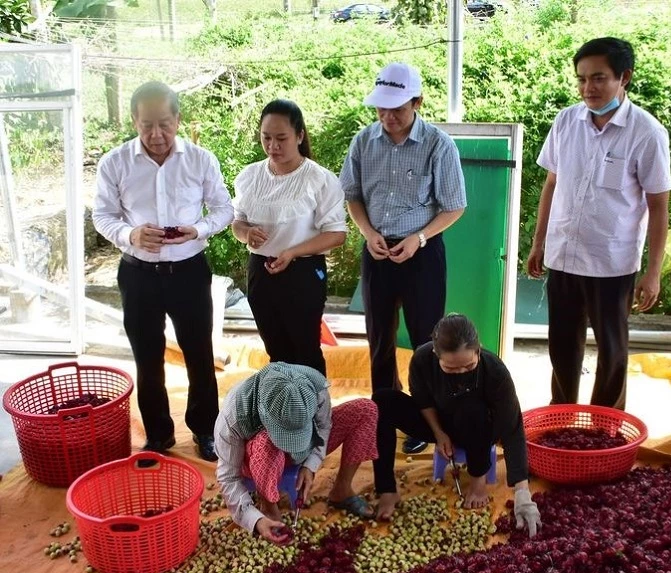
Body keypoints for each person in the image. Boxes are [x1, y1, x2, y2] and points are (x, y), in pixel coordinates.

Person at [526, 37, 671, 410]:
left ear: (624, 77)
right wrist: (539, 242)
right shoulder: (566, 121)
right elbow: (552, 184)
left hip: (612, 262)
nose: (588, 88)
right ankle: (561, 414)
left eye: (598, 78)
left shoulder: (646, 133)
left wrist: (653, 272)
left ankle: (606, 427)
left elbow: (658, 206)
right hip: (563, 256)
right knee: (561, 346)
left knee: (612, 351)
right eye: (581, 79)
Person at [92, 81, 233, 462]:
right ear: (134, 121)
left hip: (189, 271)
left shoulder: (201, 160)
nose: (156, 134)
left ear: (178, 119)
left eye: (165, 124)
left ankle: (205, 429)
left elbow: (224, 209)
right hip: (138, 274)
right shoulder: (115, 162)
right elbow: (102, 215)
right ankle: (158, 434)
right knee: (147, 357)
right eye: (147, 125)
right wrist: (130, 234)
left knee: (199, 354)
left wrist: (198, 229)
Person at [340, 62, 467, 455]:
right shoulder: (364, 142)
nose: (388, 117)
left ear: (417, 102)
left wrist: (420, 237)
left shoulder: (439, 144)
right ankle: (382, 413)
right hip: (377, 250)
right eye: (381, 109)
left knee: (428, 340)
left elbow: (454, 206)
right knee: (378, 337)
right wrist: (368, 233)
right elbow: (353, 196)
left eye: (397, 109)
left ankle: (424, 421)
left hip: (422, 253)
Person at [372, 314, 541, 537]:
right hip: (441, 421)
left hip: (479, 427)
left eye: (469, 366)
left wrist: (522, 493)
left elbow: (512, 428)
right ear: (436, 353)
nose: (461, 372)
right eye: (450, 368)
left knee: (471, 408)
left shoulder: (495, 372)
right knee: (381, 401)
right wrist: (439, 433)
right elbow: (423, 400)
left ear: (479, 350)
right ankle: (387, 490)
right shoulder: (422, 358)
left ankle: (477, 481)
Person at [231, 100, 347, 377]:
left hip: (303, 272)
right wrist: (246, 233)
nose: (273, 146)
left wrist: (292, 252)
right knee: (276, 349)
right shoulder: (250, 176)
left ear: (300, 136)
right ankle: (284, 412)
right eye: (266, 138)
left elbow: (336, 234)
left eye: (281, 138)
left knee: (305, 349)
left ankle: (316, 415)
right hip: (261, 270)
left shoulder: (319, 179)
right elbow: (237, 222)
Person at [214, 362, 378, 544]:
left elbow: (324, 426)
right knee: (264, 444)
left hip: (308, 446)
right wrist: (255, 520)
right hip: (256, 458)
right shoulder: (234, 414)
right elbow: (228, 477)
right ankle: (268, 507)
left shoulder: (312, 388)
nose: (292, 447)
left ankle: (342, 490)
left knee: (365, 410)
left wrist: (311, 464)